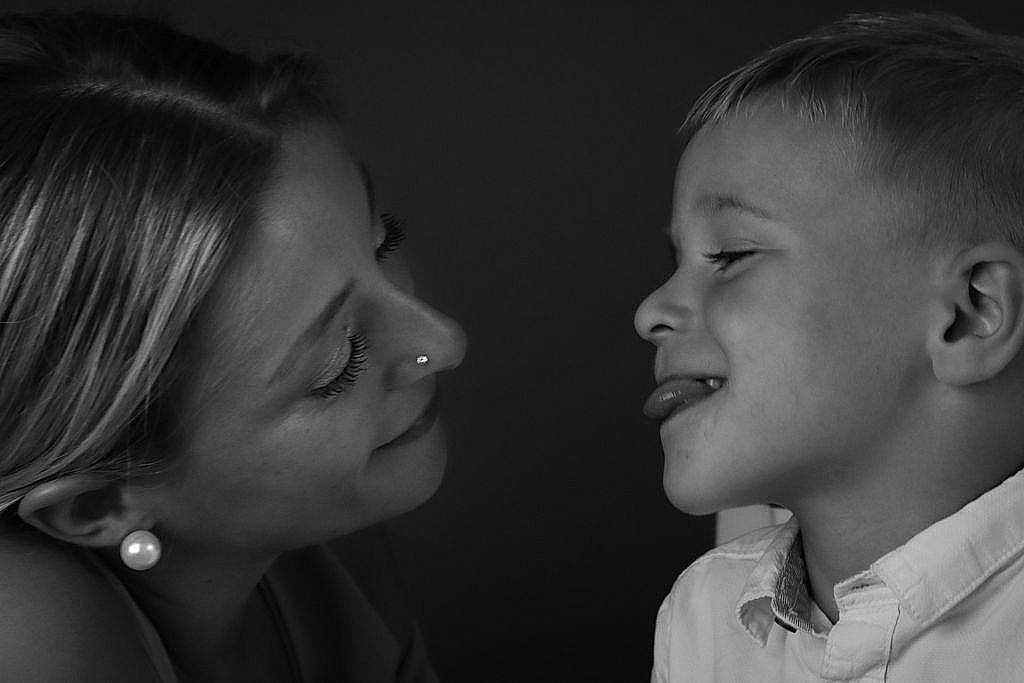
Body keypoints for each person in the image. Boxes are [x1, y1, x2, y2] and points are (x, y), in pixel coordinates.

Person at [0, 10, 465, 682]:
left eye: (381, 243)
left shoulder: (330, 539)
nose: (443, 340)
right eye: (337, 363)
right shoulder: (35, 637)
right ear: (98, 505)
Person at [635, 11, 1024, 682]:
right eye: (677, 259)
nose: (650, 313)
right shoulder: (702, 621)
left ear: (968, 314)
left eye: (730, 255)